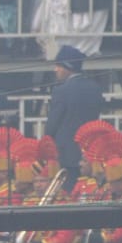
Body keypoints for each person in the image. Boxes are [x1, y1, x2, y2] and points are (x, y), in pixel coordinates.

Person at [42, 46, 104, 178]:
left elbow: (52, 125)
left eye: (58, 66)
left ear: (67, 67)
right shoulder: (95, 88)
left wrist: (46, 143)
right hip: (90, 152)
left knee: (69, 191)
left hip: (66, 154)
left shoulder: (61, 91)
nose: (55, 69)